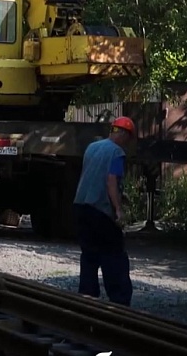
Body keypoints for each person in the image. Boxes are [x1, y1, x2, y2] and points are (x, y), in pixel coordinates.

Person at [73, 116, 135, 306]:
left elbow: (93, 176)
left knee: (89, 254)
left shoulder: (92, 147)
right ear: (123, 134)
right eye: (128, 138)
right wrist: (118, 210)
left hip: (81, 207)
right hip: (100, 211)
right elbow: (110, 180)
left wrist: (119, 195)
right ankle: (119, 301)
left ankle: (87, 297)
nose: (127, 142)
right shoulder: (117, 153)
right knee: (114, 255)